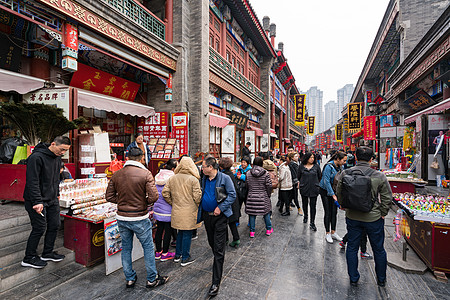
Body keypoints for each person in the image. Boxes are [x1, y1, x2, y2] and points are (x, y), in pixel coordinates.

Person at [105, 148, 168, 288]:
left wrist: (123, 202)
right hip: (140, 217)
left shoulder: (117, 174)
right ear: (141, 158)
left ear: (127, 157)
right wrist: (141, 203)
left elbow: (109, 196)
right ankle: (152, 279)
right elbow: (153, 197)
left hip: (122, 217)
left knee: (126, 248)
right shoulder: (146, 174)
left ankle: (129, 278)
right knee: (148, 247)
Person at [336, 146, 392, 287]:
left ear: (355, 157)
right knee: (378, 249)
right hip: (373, 218)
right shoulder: (379, 176)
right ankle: (381, 279)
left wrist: (343, 205)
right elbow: (387, 198)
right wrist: (383, 213)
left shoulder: (345, 173)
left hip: (353, 216)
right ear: (372, 159)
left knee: (352, 247)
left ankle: (353, 278)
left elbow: (339, 192)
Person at [22, 136, 71, 269]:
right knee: (39, 227)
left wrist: (57, 194)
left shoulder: (57, 158)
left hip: (52, 198)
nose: (62, 153)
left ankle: (47, 253)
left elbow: (55, 178)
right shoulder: (36, 157)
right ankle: (29, 257)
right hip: (36, 200)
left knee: (55, 224)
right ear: (53, 144)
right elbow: (33, 181)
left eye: (65, 151)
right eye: (61, 149)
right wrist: (37, 201)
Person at [200, 157, 237, 297]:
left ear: (211, 167)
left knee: (219, 248)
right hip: (207, 216)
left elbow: (232, 195)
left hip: (220, 217)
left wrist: (220, 208)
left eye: (203, 167)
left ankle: (215, 282)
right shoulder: (204, 178)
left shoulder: (224, 178)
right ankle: (218, 259)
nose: (202, 169)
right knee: (212, 243)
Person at [162, 156, 202, 266]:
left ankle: (177, 255)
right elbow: (197, 197)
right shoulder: (193, 179)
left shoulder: (172, 178)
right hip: (189, 211)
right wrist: (196, 205)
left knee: (180, 233)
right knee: (187, 234)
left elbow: (165, 193)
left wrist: (173, 202)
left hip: (177, 210)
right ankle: (185, 257)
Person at [319, 151, 347, 244]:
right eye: (343, 160)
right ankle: (327, 233)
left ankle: (333, 232)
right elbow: (326, 181)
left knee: (334, 212)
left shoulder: (340, 167)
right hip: (325, 191)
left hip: (334, 191)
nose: (345, 162)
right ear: (338, 159)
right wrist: (332, 194)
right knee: (328, 212)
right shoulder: (328, 166)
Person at [153, 159, 178, 261]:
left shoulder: (158, 175)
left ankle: (158, 252)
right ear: (173, 168)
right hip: (168, 208)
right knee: (168, 231)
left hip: (158, 208)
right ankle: (165, 253)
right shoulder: (172, 177)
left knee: (159, 230)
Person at [246, 157, 273, 237]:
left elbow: (247, 185)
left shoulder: (248, 173)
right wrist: (268, 194)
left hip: (251, 196)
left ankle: (252, 232)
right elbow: (269, 185)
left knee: (252, 214)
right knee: (266, 213)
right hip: (263, 196)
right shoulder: (265, 173)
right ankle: (268, 229)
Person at [219, 157, 241, 248]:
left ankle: (226, 239)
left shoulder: (223, 176)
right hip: (234, 202)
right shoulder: (231, 174)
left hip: (227, 202)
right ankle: (236, 239)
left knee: (224, 222)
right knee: (231, 222)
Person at [298, 152, 322, 231]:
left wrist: (316, 185)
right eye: (310, 157)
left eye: (313, 158)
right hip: (304, 188)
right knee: (304, 203)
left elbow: (319, 177)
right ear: (306, 158)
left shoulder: (316, 167)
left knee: (313, 206)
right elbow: (298, 176)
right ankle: (306, 216)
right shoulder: (301, 166)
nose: (312, 159)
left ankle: (312, 222)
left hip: (314, 188)